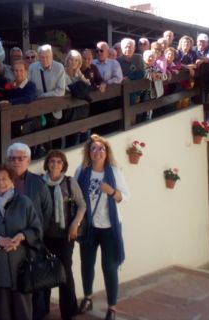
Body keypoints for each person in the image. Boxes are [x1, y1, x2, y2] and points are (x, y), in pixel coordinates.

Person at [0, 164, 43, 320]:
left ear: (12, 182)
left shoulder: (24, 202)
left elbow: (36, 229)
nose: (1, 182)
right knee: (3, 312)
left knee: (23, 311)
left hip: (21, 266)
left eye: (4, 179)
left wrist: (22, 236)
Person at [75, 134, 129, 320]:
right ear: (88, 152)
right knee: (86, 264)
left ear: (107, 152)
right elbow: (75, 197)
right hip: (89, 226)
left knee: (109, 267)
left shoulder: (114, 171)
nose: (98, 152)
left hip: (110, 227)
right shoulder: (81, 171)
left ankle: (111, 307)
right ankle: (88, 298)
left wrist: (112, 191)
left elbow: (126, 196)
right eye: (94, 148)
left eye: (102, 148)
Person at [6, 142, 53, 320]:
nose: (17, 162)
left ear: (29, 160)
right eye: (13, 158)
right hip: (9, 245)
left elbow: (46, 212)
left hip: (32, 244)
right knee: (13, 287)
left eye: (21, 158)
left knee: (35, 285)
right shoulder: (1, 180)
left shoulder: (38, 183)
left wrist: (32, 235)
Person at [41, 150, 85, 320]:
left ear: (63, 165)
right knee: (44, 272)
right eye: (52, 161)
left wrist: (75, 223)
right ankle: (42, 309)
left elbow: (82, 205)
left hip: (65, 236)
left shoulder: (69, 182)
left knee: (65, 272)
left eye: (59, 162)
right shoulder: (40, 182)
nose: (55, 164)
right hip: (44, 236)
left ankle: (69, 312)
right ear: (47, 163)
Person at [28, 45, 66, 152]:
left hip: (54, 108)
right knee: (40, 134)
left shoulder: (59, 67)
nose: (45, 60)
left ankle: (57, 154)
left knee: (55, 134)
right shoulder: (32, 68)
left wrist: (43, 96)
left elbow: (61, 91)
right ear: (38, 57)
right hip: (38, 109)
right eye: (42, 57)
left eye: (47, 57)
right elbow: (29, 86)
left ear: (52, 56)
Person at [63, 49, 91, 147]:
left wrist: (81, 77)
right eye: (71, 59)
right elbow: (64, 89)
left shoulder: (78, 72)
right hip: (68, 110)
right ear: (67, 60)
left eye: (76, 60)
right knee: (71, 140)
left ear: (79, 62)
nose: (73, 62)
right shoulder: (62, 72)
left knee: (84, 139)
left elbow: (87, 85)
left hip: (80, 111)